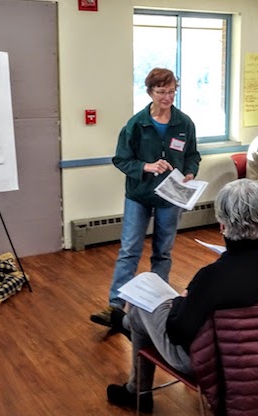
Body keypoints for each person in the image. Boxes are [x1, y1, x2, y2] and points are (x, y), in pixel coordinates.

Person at [105, 179, 258, 413]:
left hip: (207, 361)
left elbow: (177, 332)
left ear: (221, 224)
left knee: (141, 306)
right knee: (143, 316)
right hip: (257, 353)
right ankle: (129, 328)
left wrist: (181, 300)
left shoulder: (210, 277)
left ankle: (137, 389)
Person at [90, 68, 201, 328]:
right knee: (130, 249)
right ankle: (115, 306)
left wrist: (189, 171)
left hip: (170, 197)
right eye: (161, 92)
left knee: (163, 252)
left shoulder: (184, 123)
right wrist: (146, 167)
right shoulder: (136, 124)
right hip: (139, 194)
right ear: (150, 92)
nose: (168, 97)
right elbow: (120, 159)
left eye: (172, 91)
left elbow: (192, 154)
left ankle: (155, 303)